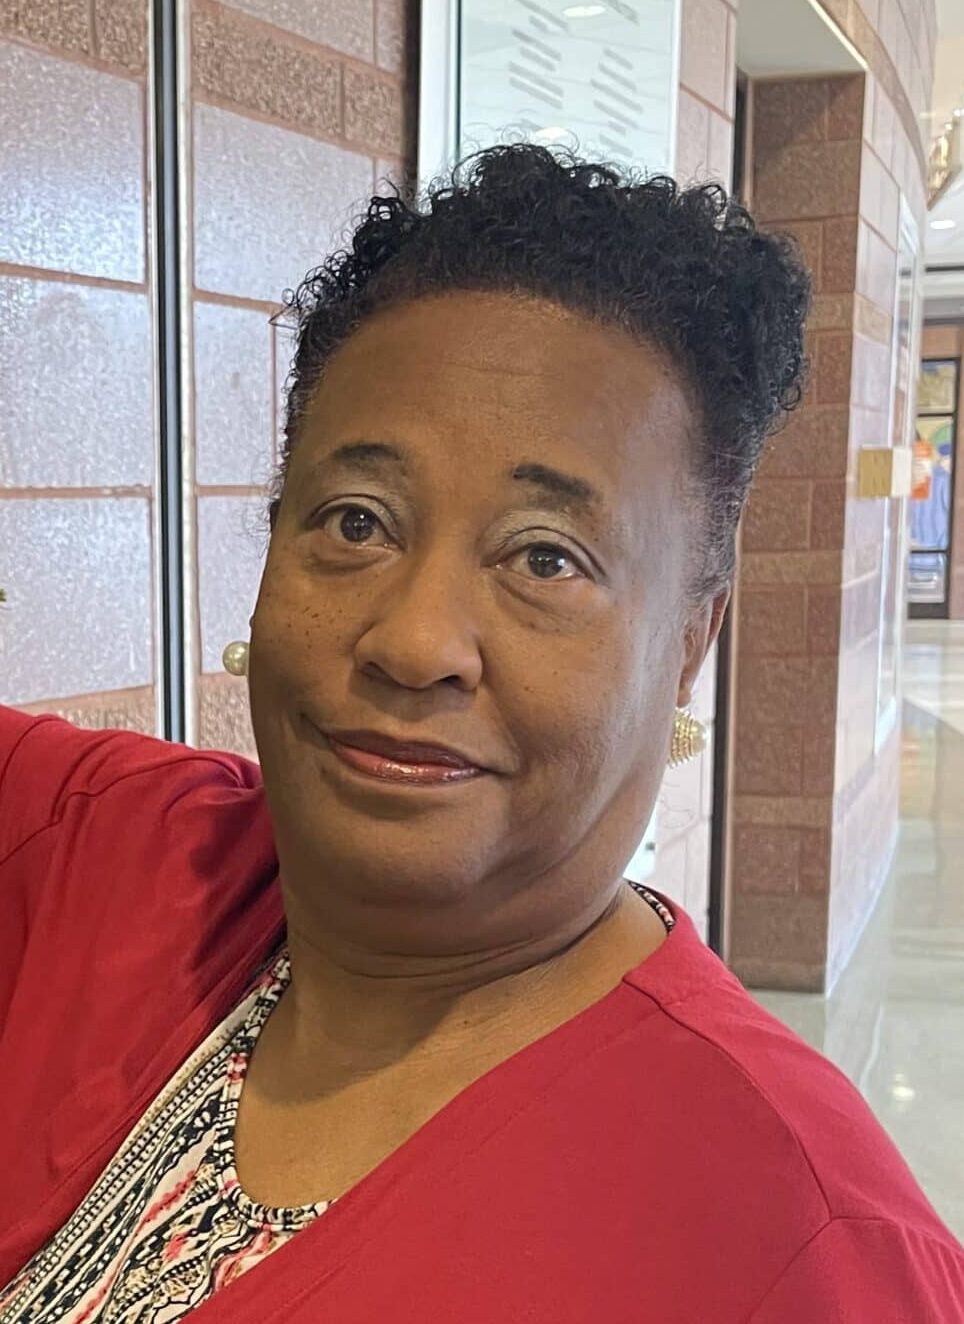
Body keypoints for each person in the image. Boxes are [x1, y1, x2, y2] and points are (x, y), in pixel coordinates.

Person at [1, 145, 961, 1322]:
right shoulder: (105, 849)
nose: (414, 641)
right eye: (356, 521)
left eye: (545, 557)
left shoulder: (801, 1247)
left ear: (688, 644)